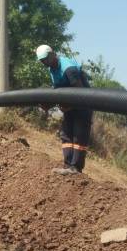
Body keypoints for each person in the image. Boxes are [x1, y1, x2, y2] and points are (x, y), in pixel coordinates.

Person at [36, 44, 92, 176]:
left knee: (79, 135)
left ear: (53, 54)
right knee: (66, 134)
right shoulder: (52, 69)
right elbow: (59, 91)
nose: (45, 63)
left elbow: (81, 92)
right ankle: (68, 165)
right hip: (70, 106)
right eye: (42, 61)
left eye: (46, 59)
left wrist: (71, 105)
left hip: (83, 105)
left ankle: (76, 168)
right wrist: (48, 105)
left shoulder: (68, 68)